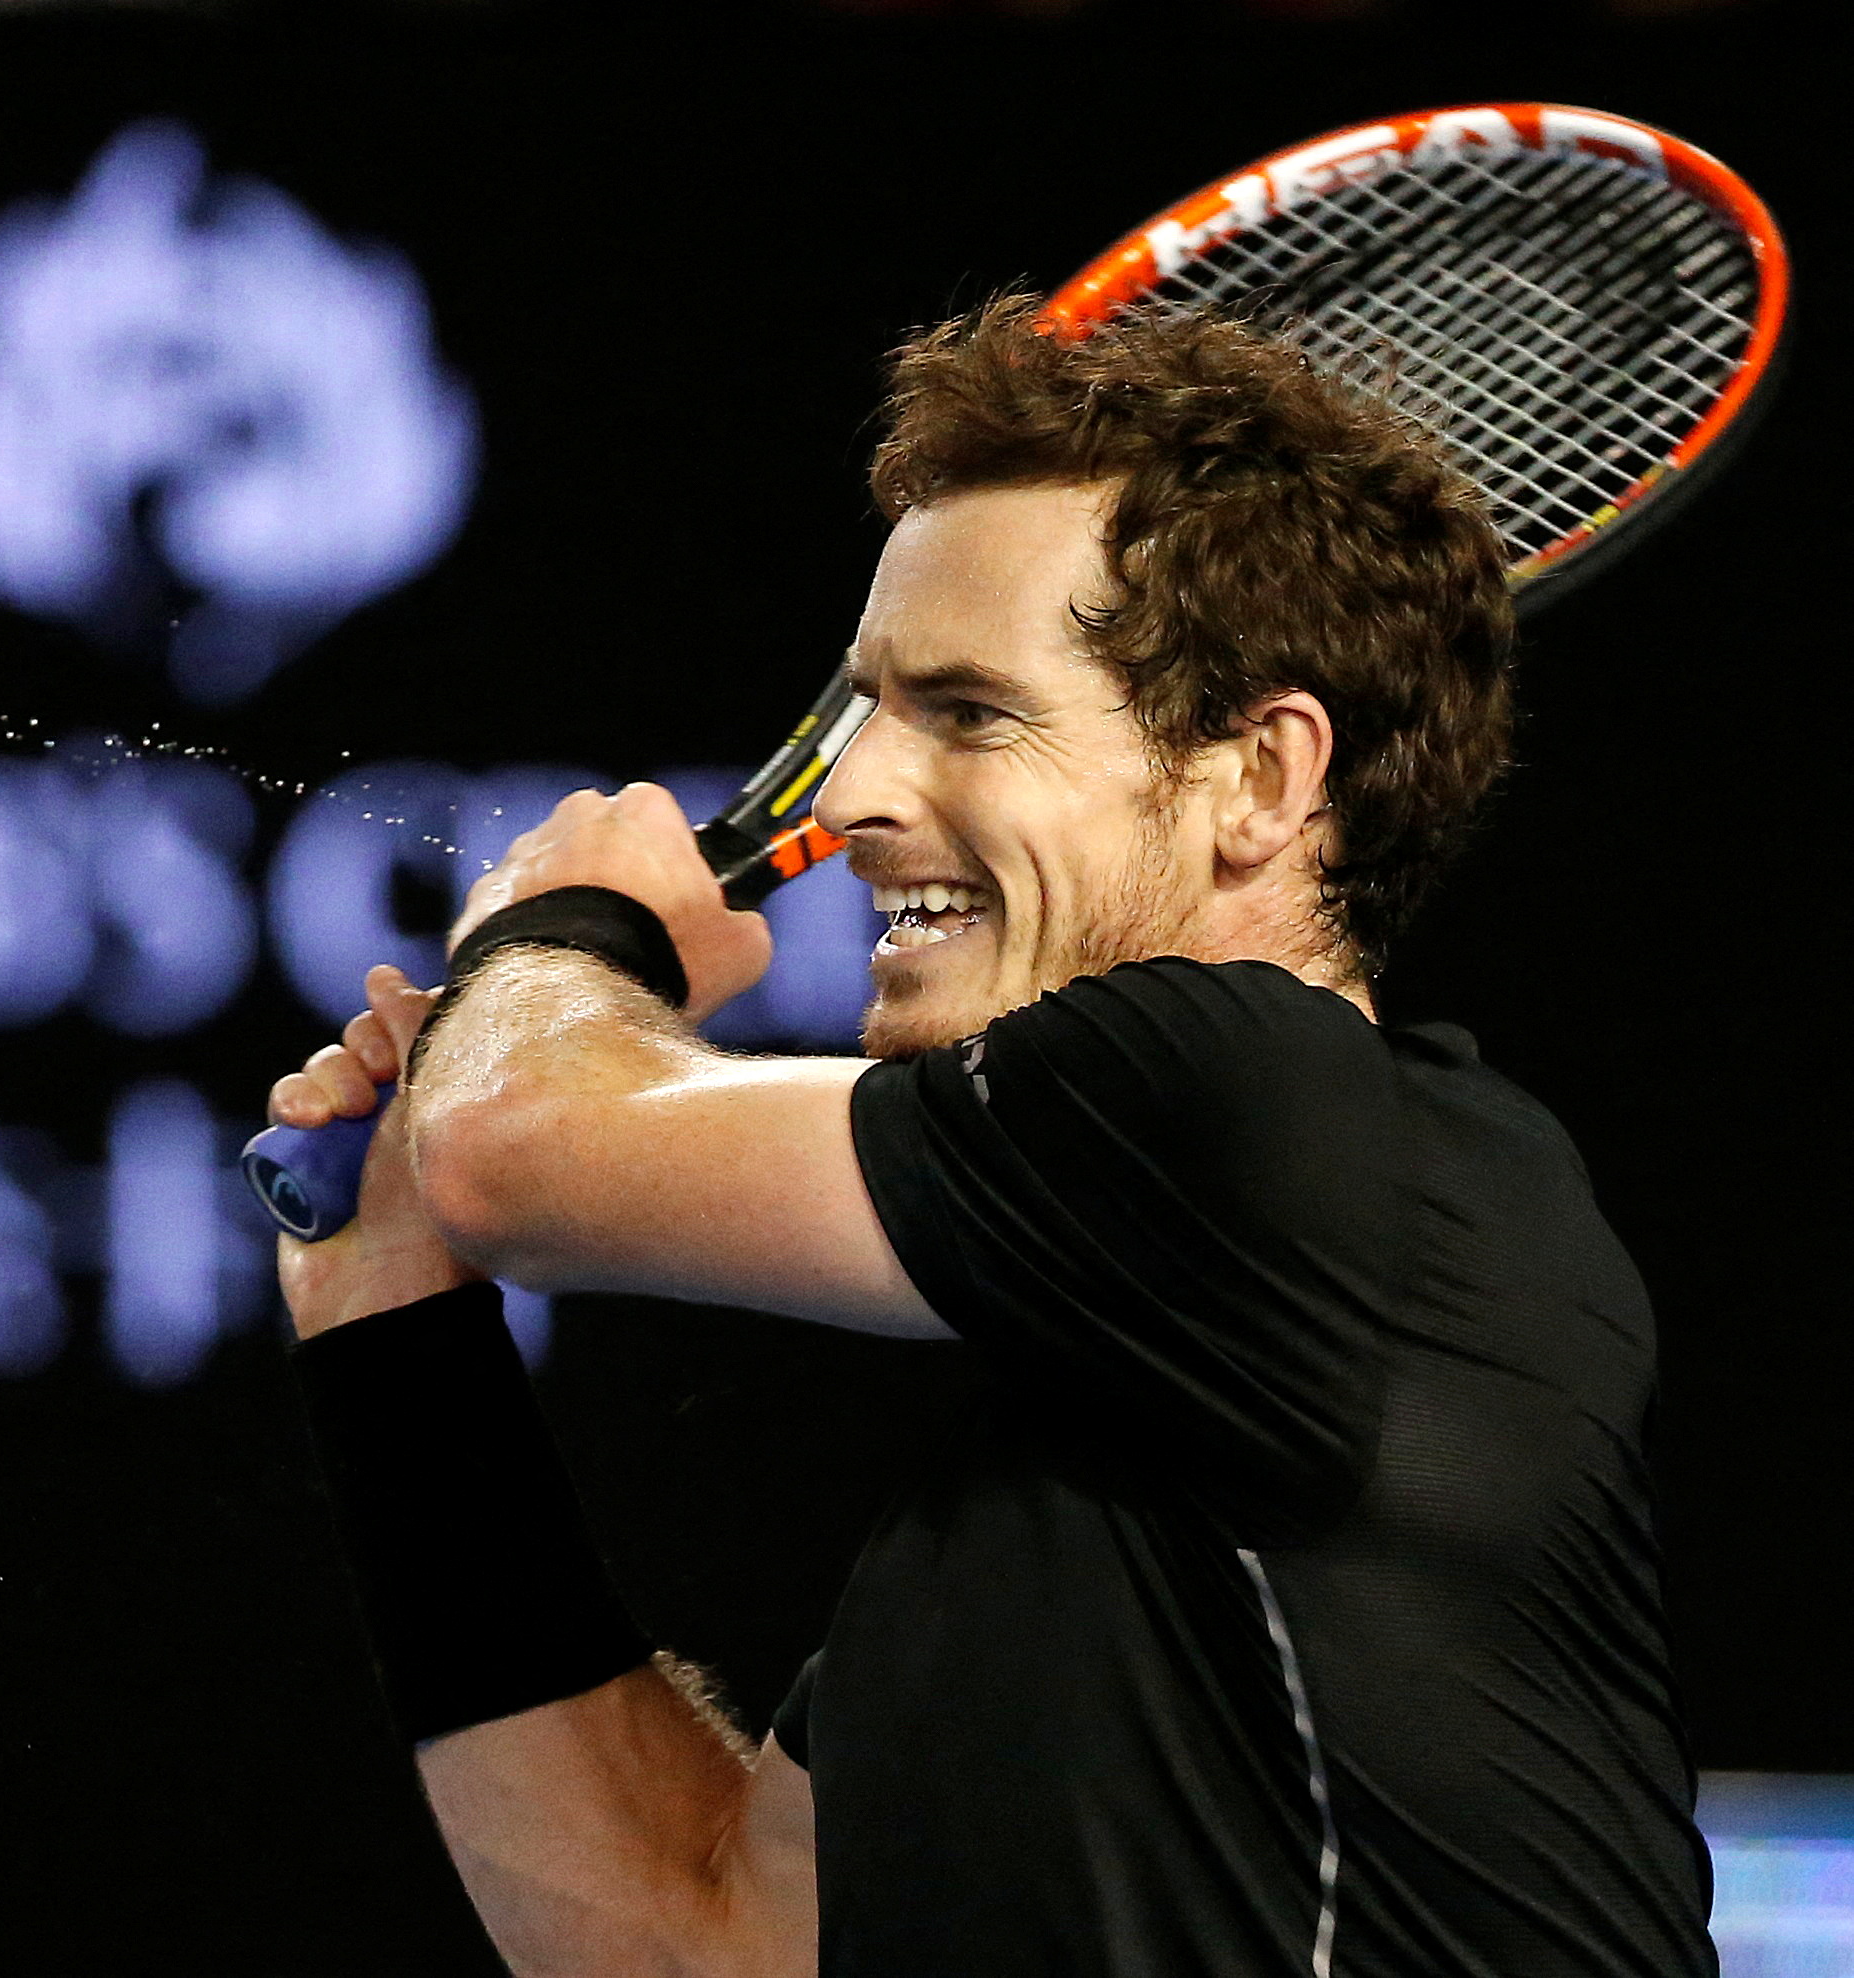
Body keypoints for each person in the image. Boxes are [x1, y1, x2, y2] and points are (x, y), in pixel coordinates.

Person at [265, 296, 1714, 1976]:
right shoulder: (1105, 1421)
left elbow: (514, 1145)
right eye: (870, 703)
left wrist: (569, 935)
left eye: (967, 710)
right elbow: (688, 1934)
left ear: (1258, 776)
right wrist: (392, 1317)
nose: (855, 794)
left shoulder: (1262, 1097)